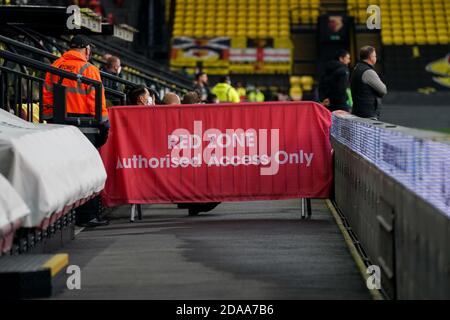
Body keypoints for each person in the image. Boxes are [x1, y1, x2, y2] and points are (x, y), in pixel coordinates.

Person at [43, 35, 109, 228]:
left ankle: (62, 215)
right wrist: (104, 124)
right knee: (87, 173)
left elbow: (47, 94)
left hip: (59, 126)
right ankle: (87, 215)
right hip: (86, 127)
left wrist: (50, 120)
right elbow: (96, 101)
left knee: (63, 171)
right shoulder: (90, 69)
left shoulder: (55, 65)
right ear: (87, 50)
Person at [350, 46, 388, 119]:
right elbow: (383, 90)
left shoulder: (357, 68)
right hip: (367, 113)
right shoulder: (368, 72)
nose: (376, 58)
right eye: (375, 56)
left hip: (358, 110)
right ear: (371, 57)